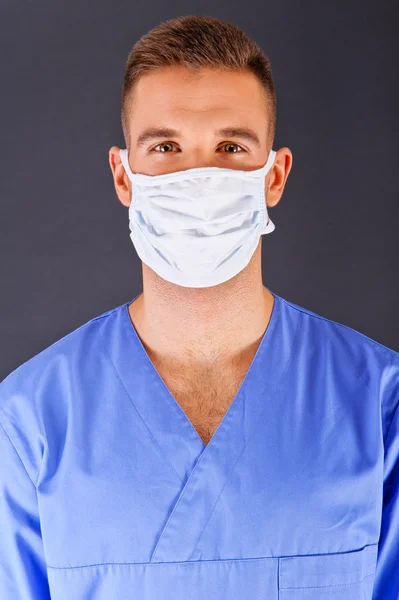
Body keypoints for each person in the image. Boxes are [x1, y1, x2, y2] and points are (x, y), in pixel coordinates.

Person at [0, 14, 397, 600]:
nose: (199, 178)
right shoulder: (30, 420)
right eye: (165, 147)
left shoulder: (378, 405)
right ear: (124, 176)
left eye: (231, 147)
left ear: (274, 176)